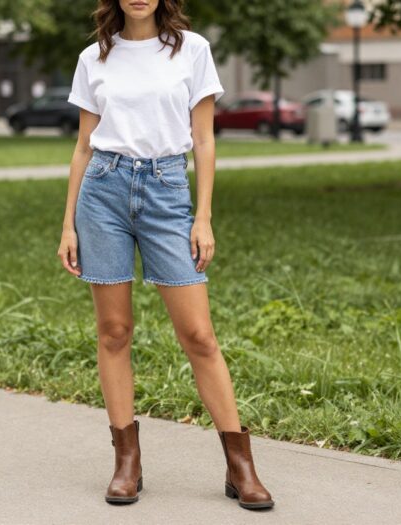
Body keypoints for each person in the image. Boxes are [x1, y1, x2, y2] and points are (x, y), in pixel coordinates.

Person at [56, 0, 274, 510]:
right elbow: (83, 146)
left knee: (199, 335)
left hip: (167, 190)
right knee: (114, 333)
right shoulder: (95, 57)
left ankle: (240, 465)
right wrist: (67, 223)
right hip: (103, 192)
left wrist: (203, 216)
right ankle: (126, 462)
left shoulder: (192, 50)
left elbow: (203, 139)